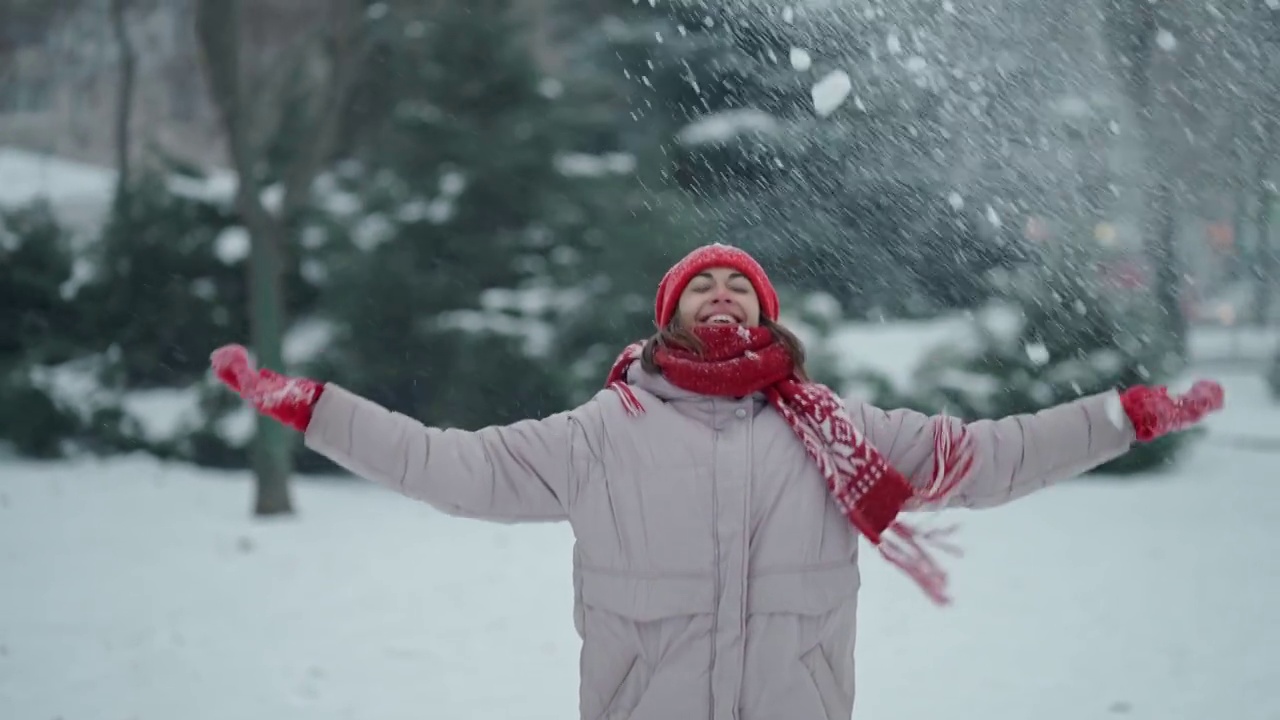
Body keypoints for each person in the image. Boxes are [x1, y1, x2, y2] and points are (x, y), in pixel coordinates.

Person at [210, 243, 1224, 720]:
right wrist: (317, 410)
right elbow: (452, 466)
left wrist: (1117, 417)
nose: (723, 289)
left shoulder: (840, 435)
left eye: (740, 282)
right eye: (703, 282)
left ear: (768, 312)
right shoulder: (602, 433)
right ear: (669, 316)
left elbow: (989, 456)